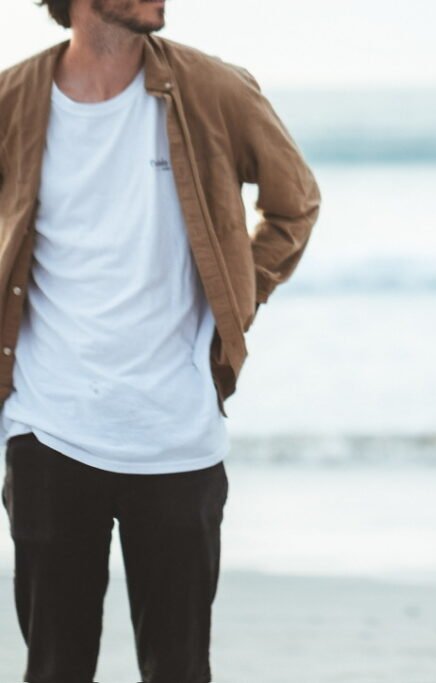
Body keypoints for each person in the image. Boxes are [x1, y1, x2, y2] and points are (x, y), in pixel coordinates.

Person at [0, 0, 319, 680]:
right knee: (55, 668)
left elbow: (295, 204)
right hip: (49, 431)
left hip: (176, 433)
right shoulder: (13, 101)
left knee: (178, 668)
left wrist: (239, 294)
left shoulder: (215, 90)